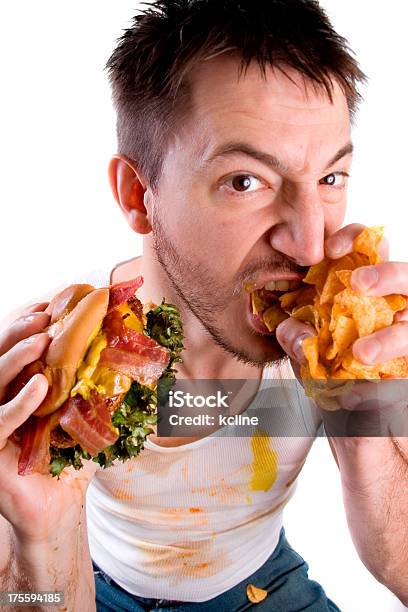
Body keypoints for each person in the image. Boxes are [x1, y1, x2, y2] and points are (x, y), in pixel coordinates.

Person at [1, 0, 407, 610]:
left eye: (330, 178)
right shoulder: (54, 356)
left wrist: (367, 432)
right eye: (246, 181)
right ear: (139, 195)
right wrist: (44, 536)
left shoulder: (356, 340)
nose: (308, 243)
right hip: (88, 577)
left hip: (263, 583)